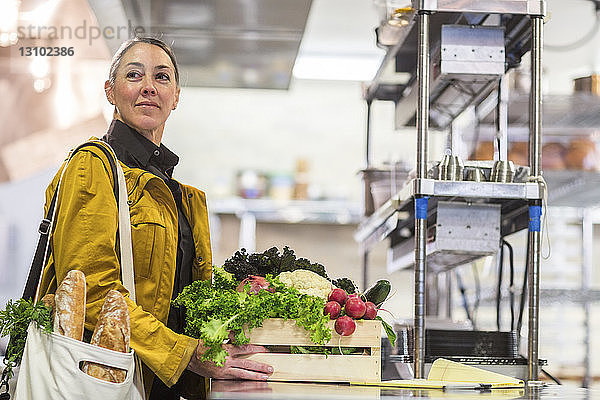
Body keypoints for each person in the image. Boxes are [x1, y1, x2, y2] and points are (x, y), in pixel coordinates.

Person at [36, 36, 272, 399]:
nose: (149, 87)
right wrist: (187, 354)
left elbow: (175, 299)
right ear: (110, 90)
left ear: (175, 96)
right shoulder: (93, 167)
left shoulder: (179, 195)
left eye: (162, 77)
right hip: (103, 381)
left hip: (158, 385)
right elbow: (93, 290)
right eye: (134, 75)